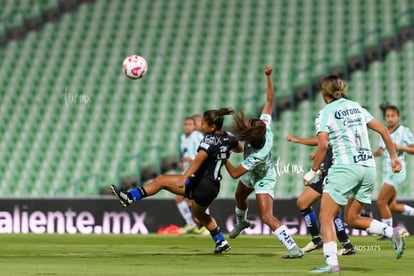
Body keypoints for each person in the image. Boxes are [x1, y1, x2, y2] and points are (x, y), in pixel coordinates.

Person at [303, 75, 405, 273]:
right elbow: (384, 130)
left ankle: (331, 263)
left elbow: (323, 145)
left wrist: (311, 172)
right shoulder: (357, 107)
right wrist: (394, 158)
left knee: (325, 217)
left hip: (344, 168)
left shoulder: (325, 113)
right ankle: (391, 232)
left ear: (324, 94)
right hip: (367, 168)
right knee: (352, 218)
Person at [111, 108, 243, 254]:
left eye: (203, 122)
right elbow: (239, 148)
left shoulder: (209, 139)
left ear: (212, 127)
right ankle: (221, 241)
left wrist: (184, 177)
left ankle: (130, 197)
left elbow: (198, 160)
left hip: (201, 184)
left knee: (161, 180)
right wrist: (225, 151)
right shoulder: (229, 137)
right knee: (200, 214)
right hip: (213, 187)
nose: (200, 124)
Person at [224, 65, 304, 259]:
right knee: (239, 196)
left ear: (251, 138)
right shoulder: (264, 128)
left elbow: (235, 173)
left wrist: (223, 155)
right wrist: (269, 77)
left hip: (264, 177)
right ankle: (241, 222)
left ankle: (293, 248)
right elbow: (269, 100)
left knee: (266, 217)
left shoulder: (257, 154)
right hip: (251, 174)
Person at [287, 134, 355, 255]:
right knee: (303, 202)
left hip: (336, 175)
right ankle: (316, 240)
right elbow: (326, 147)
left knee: (329, 213)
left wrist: (297, 140)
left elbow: (322, 143)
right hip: (325, 175)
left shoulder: (338, 129)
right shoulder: (334, 130)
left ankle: (347, 245)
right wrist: (322, 162)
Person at [373, 103, 414, 235]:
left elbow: (413, 149)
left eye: (392, 116)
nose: (390, 118)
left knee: (380, 202)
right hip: (386, 172)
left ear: (398, 117)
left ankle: (388, 233)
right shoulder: (384, 132)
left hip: (397, 171)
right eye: (387, 116)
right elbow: (381, 150)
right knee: (391, 205)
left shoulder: (404, 131)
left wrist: (401, 147)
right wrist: (372, 154)